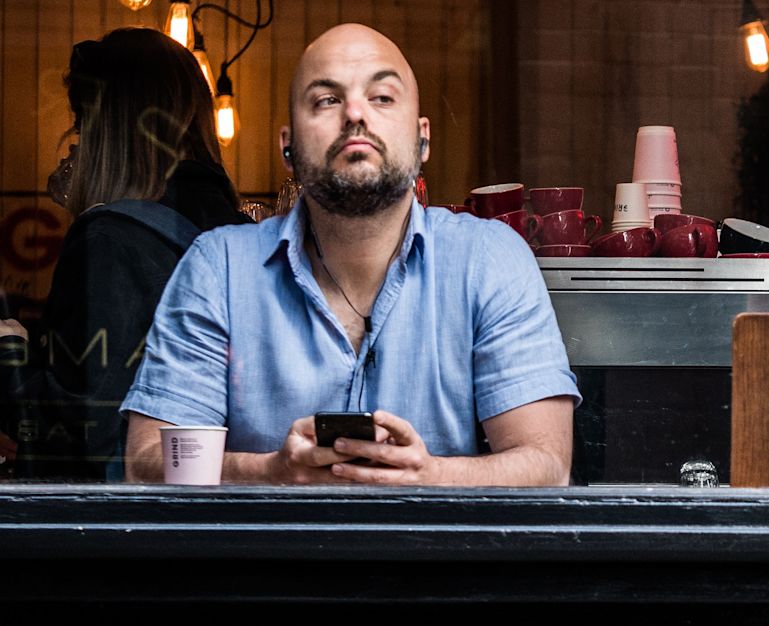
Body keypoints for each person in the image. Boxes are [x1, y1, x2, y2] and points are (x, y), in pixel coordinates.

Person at [120, 24, 580, 485]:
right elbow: (146, 463)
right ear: (288, 146)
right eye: (326, 100)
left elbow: (547, 465)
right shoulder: (218, 268)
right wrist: (271, 472)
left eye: (382, 97)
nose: (355, 113)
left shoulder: (489, 260)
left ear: (423, 141)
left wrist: (429, 476)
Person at [0, 27, 249, 481]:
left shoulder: (109, 239)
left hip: (123, 526)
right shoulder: (245, 234)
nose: (75, 143)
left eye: (81, 124)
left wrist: (10, 353)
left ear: (106, 130)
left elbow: (78, 430)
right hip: (230, 511)